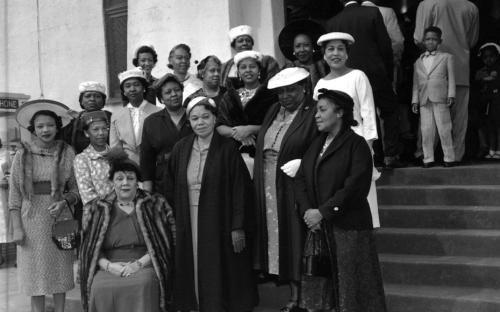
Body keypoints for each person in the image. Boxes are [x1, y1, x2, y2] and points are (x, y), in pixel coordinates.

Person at [294, 89, 387, 312]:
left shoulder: (357, 144)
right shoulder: (316, 144)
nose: (316, 115)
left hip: (349, 228)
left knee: (353, 286)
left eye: (322, 110)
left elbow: (355, 187)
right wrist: (309, 212)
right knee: (323, 288)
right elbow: (300, 179)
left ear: (340, 113)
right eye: (317, 110)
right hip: (319, 227)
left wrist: (323, 212)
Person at [166, 97, 257, 312]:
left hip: (220, 218)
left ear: (215, 119)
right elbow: (170, 184)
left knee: (218, 266)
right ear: (189, 121)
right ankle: (195, 304)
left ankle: (216, 306)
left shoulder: (227, 149)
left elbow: (240, 190)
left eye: (206, 117)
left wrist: (237, 226)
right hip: (188, 217)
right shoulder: (181, 148)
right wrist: (173, 219)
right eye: (195, 118)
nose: (201, 122)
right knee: (192, 264)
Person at [253, 67, 318, 311]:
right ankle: (289, 290)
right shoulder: (273, 110)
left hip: (294, 185)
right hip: (268, 183)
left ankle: (300, 297)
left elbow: (319, 145)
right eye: (281, 91)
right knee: (275, 235)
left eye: (291, 90)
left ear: (304, 88)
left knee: (295, 237)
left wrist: (303, 164)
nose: (285, 95)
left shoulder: (312, 111)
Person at [79, 148, 175, 312]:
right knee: (99, 287)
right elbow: (89, 249)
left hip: (146, 263)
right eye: (120, 179)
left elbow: (164, 245)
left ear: (137, 181)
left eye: (130, 178)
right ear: (112, 182)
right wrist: (109, 266)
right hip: (108, 265)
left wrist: (138, 264)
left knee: (145, 283)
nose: (125, 183)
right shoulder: (96, 208)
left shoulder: (155, 204)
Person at [9, 101, 80, 312]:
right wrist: (17, 227)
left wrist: (65, 201)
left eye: (50, 125)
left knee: (61, 271)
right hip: (31, 219)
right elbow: (14, 194)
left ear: (57, 127)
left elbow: (77, 190)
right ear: (33, 129)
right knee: (34, 273)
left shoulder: (68, 152)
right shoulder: (23, 154)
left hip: (62, 218)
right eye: (40, 126)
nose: (45, 130)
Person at [313, 32, 380, 228]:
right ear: (324, 55)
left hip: (357, 141)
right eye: (330, 49)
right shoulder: (321, 84)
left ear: (347, 54)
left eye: (340, 49)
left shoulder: (358, 76)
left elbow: (368, 112)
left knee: (359, 192)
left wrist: (368, 147)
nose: (336, 54)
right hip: (332, 146)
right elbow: (320, 119)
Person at [327, 0, 404, 168]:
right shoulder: (372, 13)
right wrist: (389, 73)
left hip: (349, 76)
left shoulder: (333, 22)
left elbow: (333, 54)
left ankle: (374, 156)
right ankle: (391, 155)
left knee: (363, 114)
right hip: (375, 72)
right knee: (389, 110)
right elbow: (385, 46)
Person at [414, 0, 479, 162]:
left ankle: (425, 155)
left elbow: (418, 38)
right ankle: (455, 156)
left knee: (428, 119)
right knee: (459, 119)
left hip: (432, 70)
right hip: (460, 66)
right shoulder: (471, 7)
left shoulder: (427, 4)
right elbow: (472, 41)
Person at [217, 50, 278, 173]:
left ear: (259, 70)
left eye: (252, 66)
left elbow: (277, 123)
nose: (248, 70)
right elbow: (219, 126)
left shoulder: (271, 93)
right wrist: (238, 133)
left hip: (266, 151)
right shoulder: (229, 96)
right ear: (238, 72)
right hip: (235, 154)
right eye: (243, 67)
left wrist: (249, 129)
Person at [412, 26, 456, 168]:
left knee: (444, 128)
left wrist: (451, 94)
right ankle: (428, 158)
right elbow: (416, 83)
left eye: (434, 39)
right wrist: (415, 100)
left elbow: (451, 78)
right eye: (428, 39)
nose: (430, 41)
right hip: (424, 98)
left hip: (440, 97)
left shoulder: (446, 57)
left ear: (439, 41)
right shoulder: (418, 62)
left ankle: (449, 157)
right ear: (424, 41)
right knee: (426, 130)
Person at [141, 74, 192, 195]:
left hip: (194, 180)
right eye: (168, 92)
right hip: (164, 184)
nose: (174, 94)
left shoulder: (194, 116)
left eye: (177, 90)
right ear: (161, 99)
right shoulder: (151, 122)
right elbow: (147, 160)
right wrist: (147, 193)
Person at [110, 67, 162, 164]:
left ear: (144, 88)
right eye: (128, 86)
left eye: (136, 85)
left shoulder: (158, 112)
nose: (132, 89)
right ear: (124, 92)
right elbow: (115, 147)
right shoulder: (116, 116)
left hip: (154, 165)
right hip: (128, 168)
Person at [73, 111, 114, 206]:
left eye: (105, 129)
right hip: (99, 214)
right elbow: (87, 195)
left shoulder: (117, 154)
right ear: (87, 133)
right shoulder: (82, 159)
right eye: (95, 129)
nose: (101, 133)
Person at [221, 25, 280, 90]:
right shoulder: (226, 66)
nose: (244, 43)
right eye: (240, 41)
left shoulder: (267, 61)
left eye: (248, 40)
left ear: (252, 44)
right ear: (233, 45)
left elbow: (275, 82)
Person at [61, 81, 111, 154]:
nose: (92, 99)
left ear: (103, 101)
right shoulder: (73, 122)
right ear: (81, 101)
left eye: (97, 96)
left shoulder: (111, 118)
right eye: (88, 96)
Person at [278, 19, 329, 89]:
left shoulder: (325, 67)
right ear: (293, 49)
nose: (302, 50)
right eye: (297, 46)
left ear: (312, 47)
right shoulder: (287, 70)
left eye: (306, 45)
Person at [475, 43, 500, 159]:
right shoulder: (480, 71)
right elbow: (477, 81)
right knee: (488, 126)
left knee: (498, 126)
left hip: (496, 102)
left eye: (491, 56)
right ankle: (490, 149)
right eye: (485, 57)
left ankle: (498, 149)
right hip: (484, 103)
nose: (488, 59)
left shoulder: (497, 69)